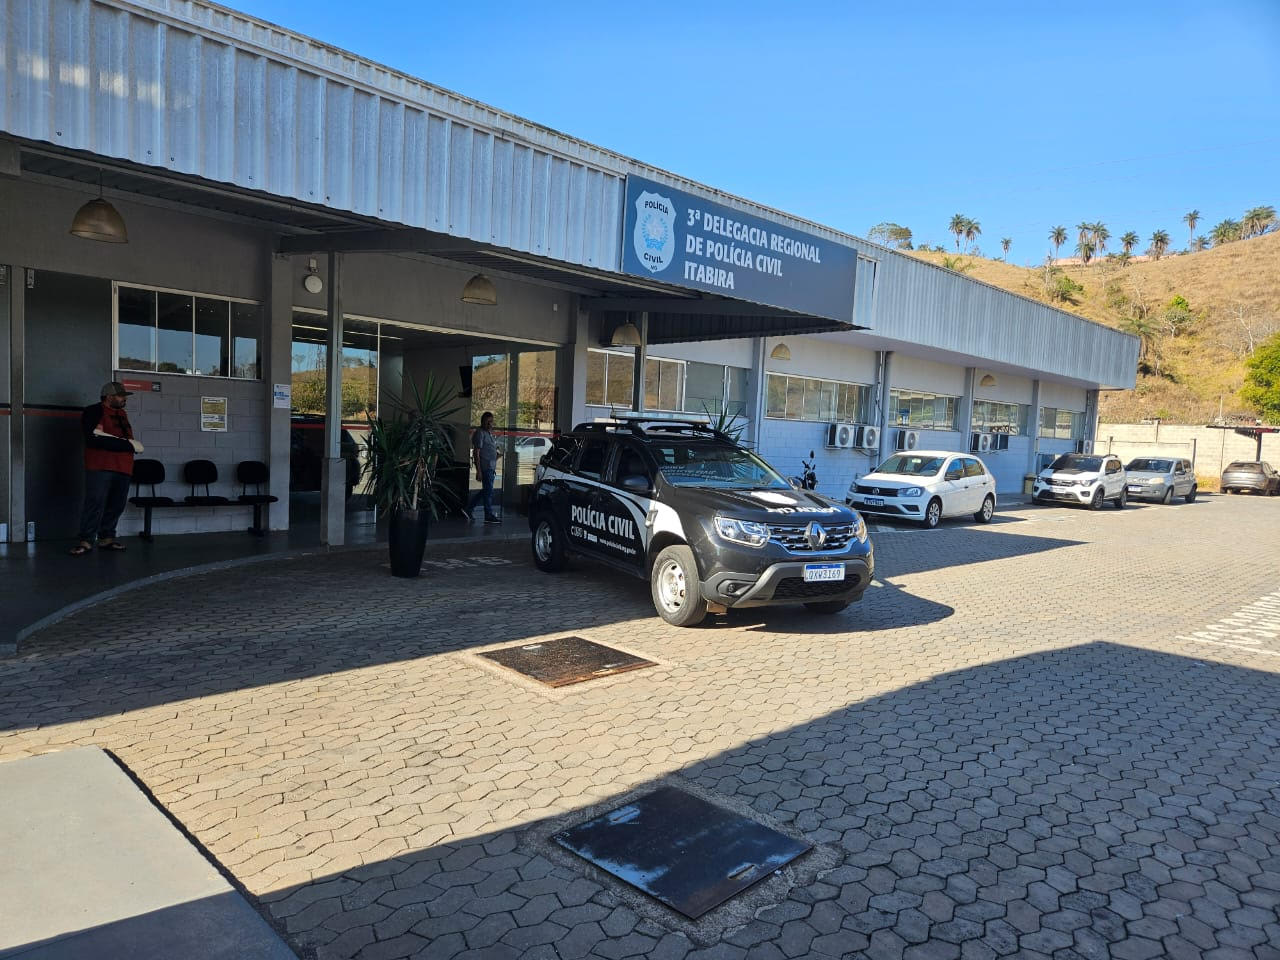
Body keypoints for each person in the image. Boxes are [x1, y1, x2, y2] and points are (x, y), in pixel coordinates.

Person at [71, 382, 143, 555]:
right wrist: (128, 445)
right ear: (109, 397)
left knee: (116, 504)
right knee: (95, 502)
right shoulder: (94, 411)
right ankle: (86, 540)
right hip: (100, 465)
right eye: (121, 396)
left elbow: (109, 438)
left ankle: (106, 538)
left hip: (124, 466)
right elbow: (93, 439)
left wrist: (127, 445)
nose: (124, 399)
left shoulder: (122, 413)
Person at [466, 411, 501, 524]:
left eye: (491, 421)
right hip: (485, 467)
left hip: (491, 466)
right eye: (488, 422)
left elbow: (488, 450)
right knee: (488, 492)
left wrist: (496, 456)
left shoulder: (489, 433)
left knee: (487, 490)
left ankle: (469, 508)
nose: (490, 424)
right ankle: (488, 514)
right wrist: (479, 471)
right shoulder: (480, 433)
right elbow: (476, 452)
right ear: (483, 422)